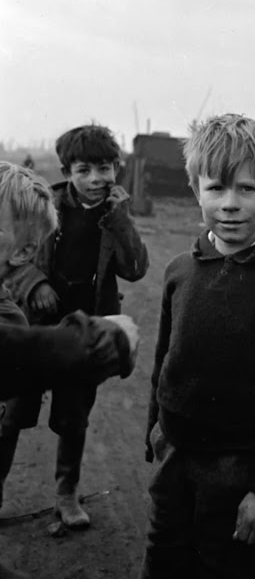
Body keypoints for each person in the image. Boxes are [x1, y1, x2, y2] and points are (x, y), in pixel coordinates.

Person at [140, 114, 255, 579]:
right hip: (175, 460)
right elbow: (165, 358)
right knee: (163, 564)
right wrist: (155, 426)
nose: (230, 204)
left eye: (247, 188)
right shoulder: (180, 271)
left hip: (241, 473)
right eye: (216, 188)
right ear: (195, 190)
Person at [0, 125, 149, 529]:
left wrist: (120, 221)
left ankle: (66, 494)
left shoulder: (114, 214)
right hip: (37, 327)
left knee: (74, 417)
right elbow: (15, 257)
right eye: (85, 170)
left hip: (85, 329)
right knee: (10, 414)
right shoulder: (45, 206)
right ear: (68, 172)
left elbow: (136, 268)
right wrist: (35, 284)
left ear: (116, 168)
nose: (97, 179)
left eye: (105, 168)